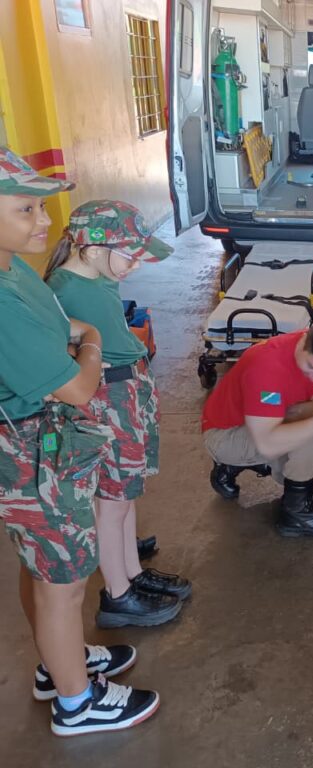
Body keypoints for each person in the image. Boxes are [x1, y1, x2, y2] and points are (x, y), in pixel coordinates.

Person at [0, 147, 158, 734]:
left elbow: (59, 325)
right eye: (26, 209)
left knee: (44, 571)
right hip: (29, 453)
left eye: (41, 207)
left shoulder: (13, 266)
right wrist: (90, 343)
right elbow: (78, 386)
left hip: (48, 446)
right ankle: (77, 703)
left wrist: (80, 335)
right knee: (62, 585)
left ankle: (58, 663)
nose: (44, 221)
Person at [45, 199, 191, 630]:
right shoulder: (64, 289)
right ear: (91, 248)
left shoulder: (100, 275)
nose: (135, 265)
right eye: (129, 255)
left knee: (125, 496)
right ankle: (117, 594)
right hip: (105, 396)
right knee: (111, 502)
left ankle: (132, 573)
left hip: (127, 391)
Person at [201, 316, 313, 537]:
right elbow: (267, 444)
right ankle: (296, 514)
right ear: (305, 340)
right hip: (226, 434)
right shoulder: (266, 365)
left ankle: (238, 467)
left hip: (272, 420)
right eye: (310, 367)